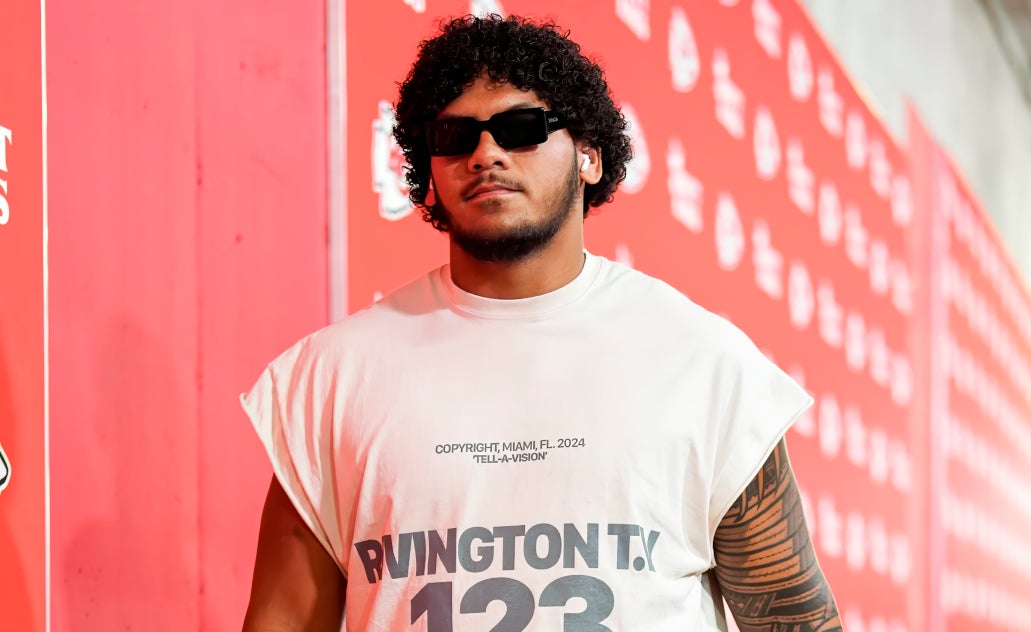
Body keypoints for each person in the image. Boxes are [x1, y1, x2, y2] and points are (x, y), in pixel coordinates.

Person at [241, 14, 841, 632]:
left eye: (520, 128)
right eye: (455, 136)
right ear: (427, 167)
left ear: (589, 156)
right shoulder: (333, 377)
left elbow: (795, 621)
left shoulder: (703, 362)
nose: (486, 154)